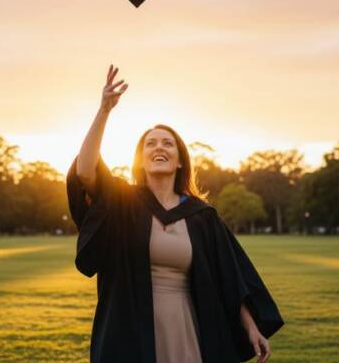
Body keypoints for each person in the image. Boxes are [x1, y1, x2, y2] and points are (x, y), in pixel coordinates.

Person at [67, 64, 284, 363]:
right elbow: (85, 171)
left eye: (167, 143)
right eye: (151, 144)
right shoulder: (123, 203)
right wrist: (104, 110)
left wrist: (251, 328)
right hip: (129, 327)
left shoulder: (201, 216)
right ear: (140, 159)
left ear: (180, 160)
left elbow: (231, 280)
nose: (159, 147)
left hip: (188, 327)